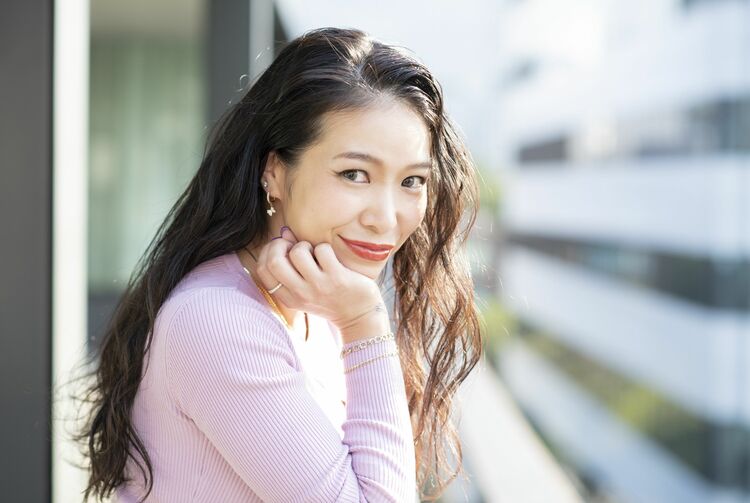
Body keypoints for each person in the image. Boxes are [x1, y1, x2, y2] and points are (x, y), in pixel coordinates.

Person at [75, 26, 482, 502]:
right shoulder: (219, 320)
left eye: (412, 181)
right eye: (355, 174)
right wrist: (364, 322)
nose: (386, 218)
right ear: (274, 172)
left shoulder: (313, 300)